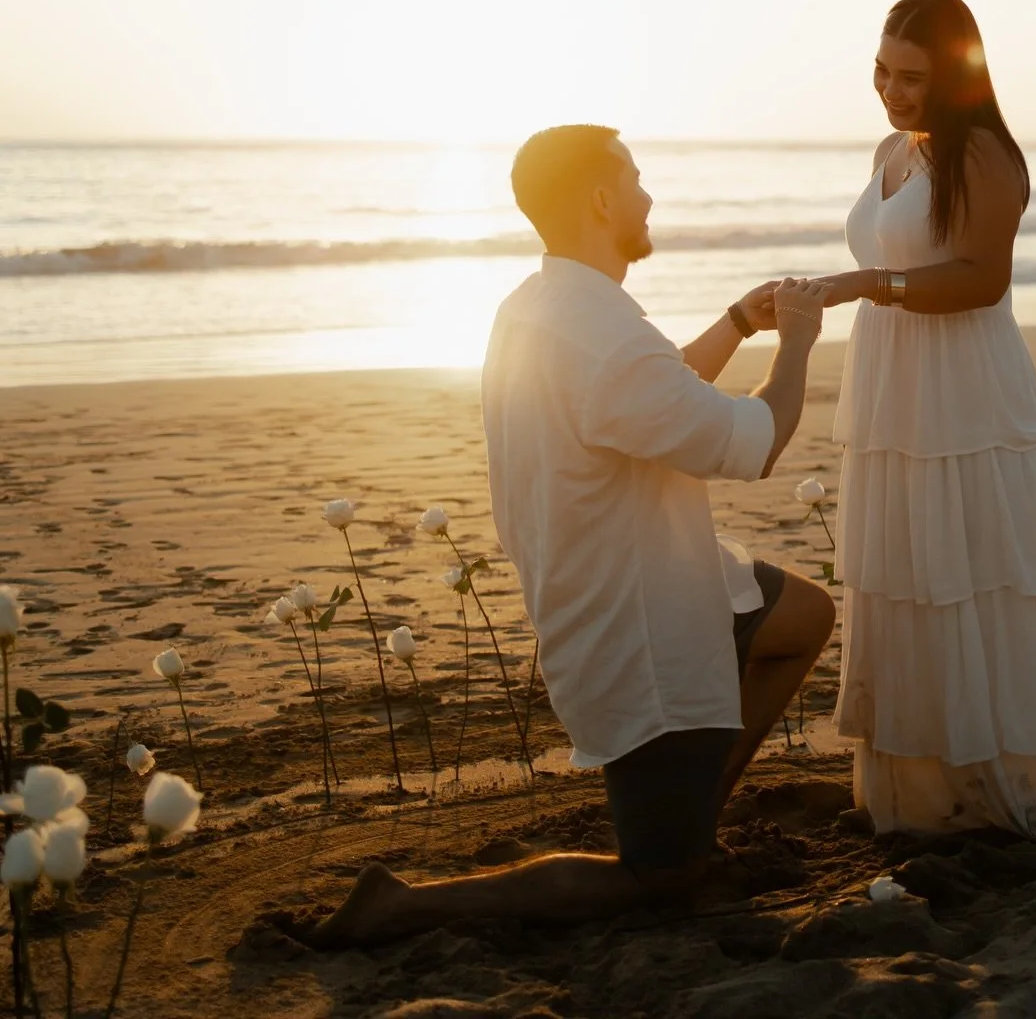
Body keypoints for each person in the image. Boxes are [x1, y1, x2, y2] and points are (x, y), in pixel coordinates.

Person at [314, 124, 833, 948]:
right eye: (634, 176)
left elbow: (659, 388)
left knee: (803, 616)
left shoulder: (546, 306)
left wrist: (738, 320)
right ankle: (405, 904)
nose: (648, 193)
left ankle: (689, 805)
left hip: (660, 570)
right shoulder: (603, 335)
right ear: (600, 198)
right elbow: (752, 443)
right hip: (642, 620)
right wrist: (799, 341)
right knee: (659, 880)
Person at [818, 0, 1036, 843]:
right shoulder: (891, 150)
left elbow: (981, 278)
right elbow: (887, 253)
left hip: (964, 394)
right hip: (893, 390)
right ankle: (918, 794)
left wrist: (861, 287)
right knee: (906, 569)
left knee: (967, 572)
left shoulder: (983, 154)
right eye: (881, 69)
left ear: (954, 78)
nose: (890, 90)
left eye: (911, 77)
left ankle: (992, 788)